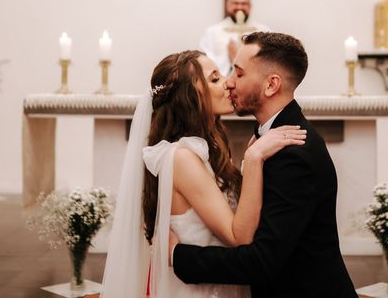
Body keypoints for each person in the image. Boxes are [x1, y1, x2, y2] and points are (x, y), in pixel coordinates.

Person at [100, 50, 306, 298]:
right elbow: (237, 237)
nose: (229, 83)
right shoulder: (182, 158)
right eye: (215, 78)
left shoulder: (202, 151)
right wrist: (253, 161)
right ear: (191, 96)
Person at [171, 32, 358, 298]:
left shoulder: (294, 153)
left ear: (271, 85)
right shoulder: (264, 138)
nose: (229, 83)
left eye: (239, 73)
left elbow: (260, 262)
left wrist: (178, 256)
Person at [200, 0, 270, 77]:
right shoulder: (212, 31)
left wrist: (243, 56)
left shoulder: (263, 31)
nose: (239, 7)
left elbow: (269, 61)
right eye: (235, 3)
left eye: (244, 3)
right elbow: (205, 62)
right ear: (227, 5)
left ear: (250, 6)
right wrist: (229, 59)